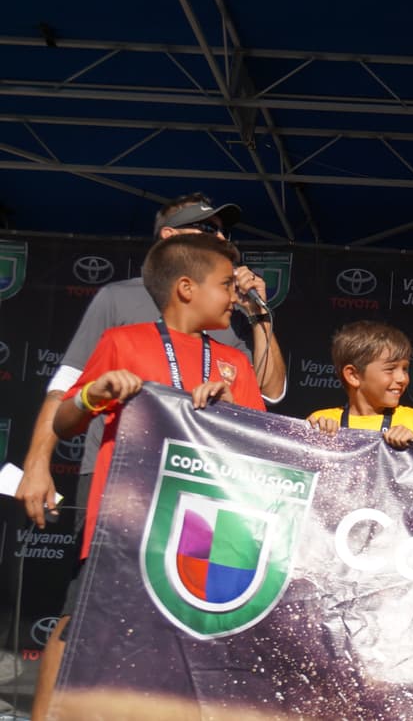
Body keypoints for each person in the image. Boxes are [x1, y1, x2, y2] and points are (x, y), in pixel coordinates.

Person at [39, 233, 268, 719]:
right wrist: (92, 395)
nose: (235, 296)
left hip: (205, 544)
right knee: (91, 652)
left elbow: (261, 457)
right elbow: (64, 420)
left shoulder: (236, 362)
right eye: (226, 284)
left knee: (184, 669)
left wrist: (234, 414)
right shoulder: (121, 342)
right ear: (186, 287)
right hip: (122, 532)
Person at [17, 192, 285, 528]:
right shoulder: (119, 298)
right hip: (120, 474)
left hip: (201, 480)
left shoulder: (231, 314)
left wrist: (257, 312)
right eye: (206, 227)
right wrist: (37, 465)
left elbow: (269, 395)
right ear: (169, 236)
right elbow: (63, 391)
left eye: (223, 231)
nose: (220, 236)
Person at [307, 320, 413, 448]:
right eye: (390, 369)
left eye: (405, 369)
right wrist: (315, 440)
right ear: (353, 375)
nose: (402, 378)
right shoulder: (320, 421)